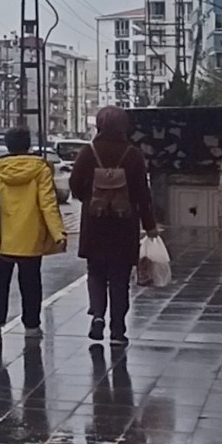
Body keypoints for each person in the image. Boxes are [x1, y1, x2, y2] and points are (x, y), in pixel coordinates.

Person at [0, 125, 67, 341]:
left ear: (8, 145)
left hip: (0, 238)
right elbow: (47, 204)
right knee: (31, 281)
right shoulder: (41, 168)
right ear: (29, 145)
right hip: (31, 239)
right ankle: (31, 325)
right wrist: (58, 233)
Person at [69, 106, 157, 346]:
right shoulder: (133, 154)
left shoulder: (88, 152)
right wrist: (150, 225)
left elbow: (75, 185)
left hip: (95, 223)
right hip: (124, 224)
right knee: (120, 277)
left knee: (96, 272)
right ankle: (118, 328)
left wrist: (89, 196)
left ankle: (97, 316)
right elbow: (142, 194)